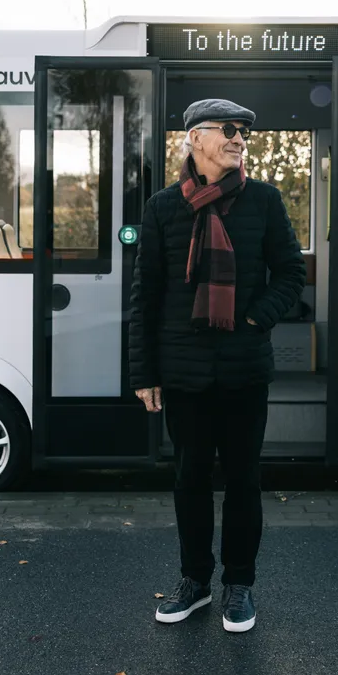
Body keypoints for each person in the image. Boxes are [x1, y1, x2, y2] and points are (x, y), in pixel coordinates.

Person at [128, 97, 306, 633]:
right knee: (189, 478)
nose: (239, 139)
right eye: (229, 130)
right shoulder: (163, 208)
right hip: (182, 372)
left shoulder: (265, 202)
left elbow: (291, 275)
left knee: (244, 480)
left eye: (244, 133)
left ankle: (239, 586)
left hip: (244, 370)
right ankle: (195, 581)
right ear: (196, 139)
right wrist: (144, 374)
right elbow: (146, 296)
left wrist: (254, 321)